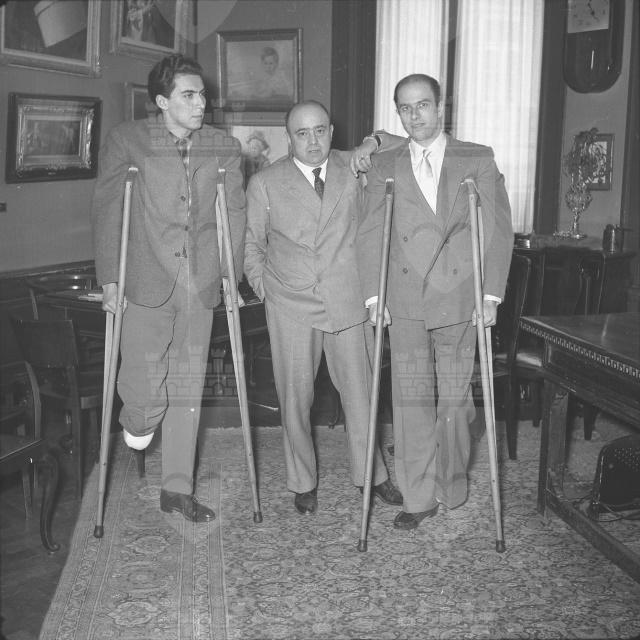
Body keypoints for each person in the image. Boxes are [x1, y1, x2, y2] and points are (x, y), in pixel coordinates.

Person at [91, 54, 246, 523]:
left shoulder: (223, 146)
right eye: (189, 95)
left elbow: (233, 214)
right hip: (145, 279)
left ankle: (177, 489)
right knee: (143, 387)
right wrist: (110, 278)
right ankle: (138, 422)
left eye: (203, 95)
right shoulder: (128, 140)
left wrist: (230, 276)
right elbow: (108, 209)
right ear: (162, 102)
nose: (201, 103)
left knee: (187, 386)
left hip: (200, 282)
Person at [355, 74, 513, 530]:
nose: (415, 115)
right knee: (411, 400)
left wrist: (490, 294)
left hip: (459, 297)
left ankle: (451, 482)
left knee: (454, 404)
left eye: (423, 105)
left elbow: (498, 229)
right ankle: (418, 497)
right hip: (404, 299)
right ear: (397, 113)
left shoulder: (476, 158)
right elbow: (370, 233)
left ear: (440, 107)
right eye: (405, 108)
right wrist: (374, 296)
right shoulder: (385, 164)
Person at [244, 100, 401, 515]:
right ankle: (303, 481)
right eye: (302, 133)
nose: (312, 141)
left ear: (332, 131)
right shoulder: (265, 182)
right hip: (290, 303)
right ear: (288, 138)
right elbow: (252, 246)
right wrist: (267, 291)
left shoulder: (355, 165)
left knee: (361, 395)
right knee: (295, 398)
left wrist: (372, 141)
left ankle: (372, 475)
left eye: (319, 130)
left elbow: (403, 144)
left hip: (348, 300)